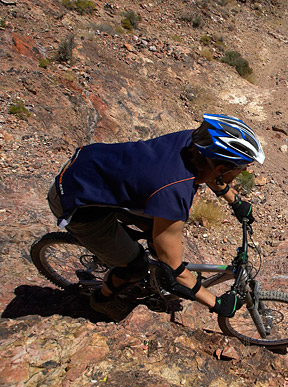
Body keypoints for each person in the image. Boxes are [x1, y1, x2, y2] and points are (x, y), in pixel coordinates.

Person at [46, 114, 265, 321]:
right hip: (79, 203)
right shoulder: (173, 193)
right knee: (136, 266)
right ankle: (101, 299)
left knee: (158, 233)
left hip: (92, 165)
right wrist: (216, 303)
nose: (244, 172)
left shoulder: (192, 143)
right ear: (221, 167)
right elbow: (174, 269)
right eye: (242, 168)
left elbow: (209, 171)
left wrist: (234, 201)